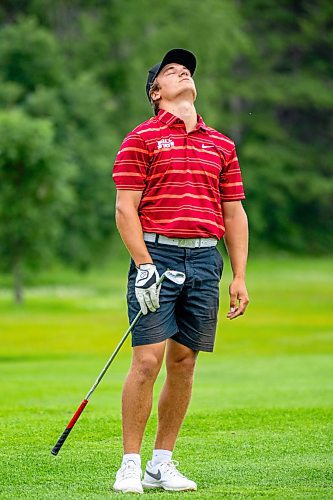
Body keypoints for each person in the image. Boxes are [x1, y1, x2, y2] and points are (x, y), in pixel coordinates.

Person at [112, 48, 249, 494]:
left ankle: (161, 464)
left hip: (207, 260)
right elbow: (125, 210)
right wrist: (144, 266)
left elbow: (234, 214)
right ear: (156, 93)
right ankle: (130, 464)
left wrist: (240, 276)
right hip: (157, 256)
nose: (182, 72)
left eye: (186, 68)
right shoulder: (142, 138)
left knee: (185, 362)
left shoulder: (222, 144)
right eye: (171, 71)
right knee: (147, 360)